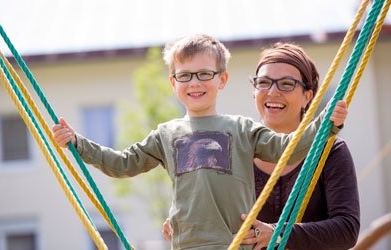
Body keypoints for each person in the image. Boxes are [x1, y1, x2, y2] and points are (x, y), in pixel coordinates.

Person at [52, 35, 348, 249]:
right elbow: (122, 164)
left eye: (205, 74)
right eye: (185, 76)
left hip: (234, 243)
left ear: (222, 80)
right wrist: (79, 143)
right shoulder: (165, 134)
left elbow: (288, 149)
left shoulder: (242, 129)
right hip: (188, 244)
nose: (195, 83)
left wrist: (325, 123)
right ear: (173, 83)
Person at [163, 42, 359, 249]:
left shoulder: (329, 151)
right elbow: (210, 208)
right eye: (264, 82)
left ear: (307, 96)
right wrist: (185, 220)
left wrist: (278, 233)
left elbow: (347, 229)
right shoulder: (233, 148)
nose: (272, 92)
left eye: (286, 84)